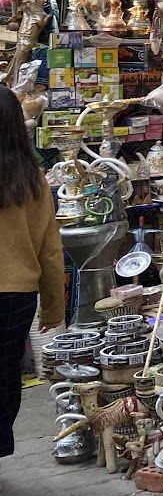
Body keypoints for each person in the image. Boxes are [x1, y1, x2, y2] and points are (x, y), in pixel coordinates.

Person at [0, 85, 61, 461]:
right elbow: (50, 249)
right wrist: (54, 308)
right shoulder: (31, 177)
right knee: (7, 375)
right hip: (17, 296)